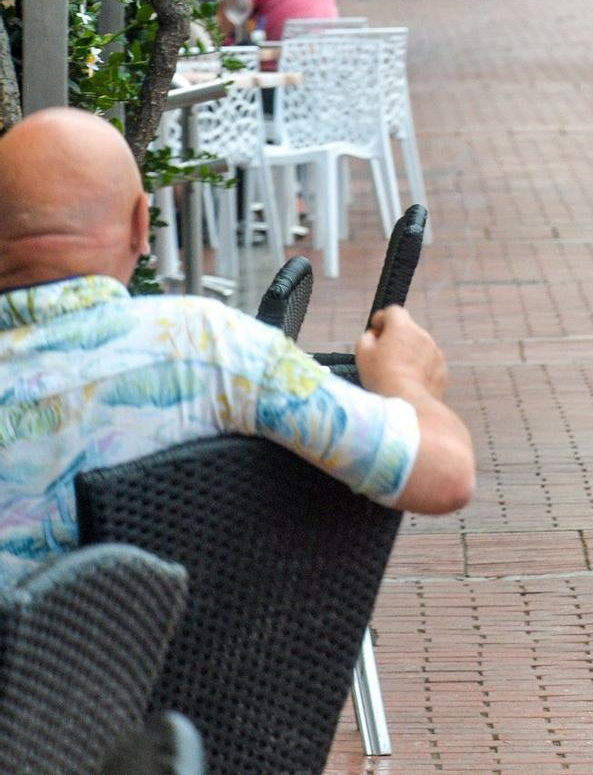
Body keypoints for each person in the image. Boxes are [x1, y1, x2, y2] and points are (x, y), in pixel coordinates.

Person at [0, 109, 477, 583]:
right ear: (140, 223)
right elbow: (446, 475)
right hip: (188, 656)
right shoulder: (202, 347)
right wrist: (406, 382)